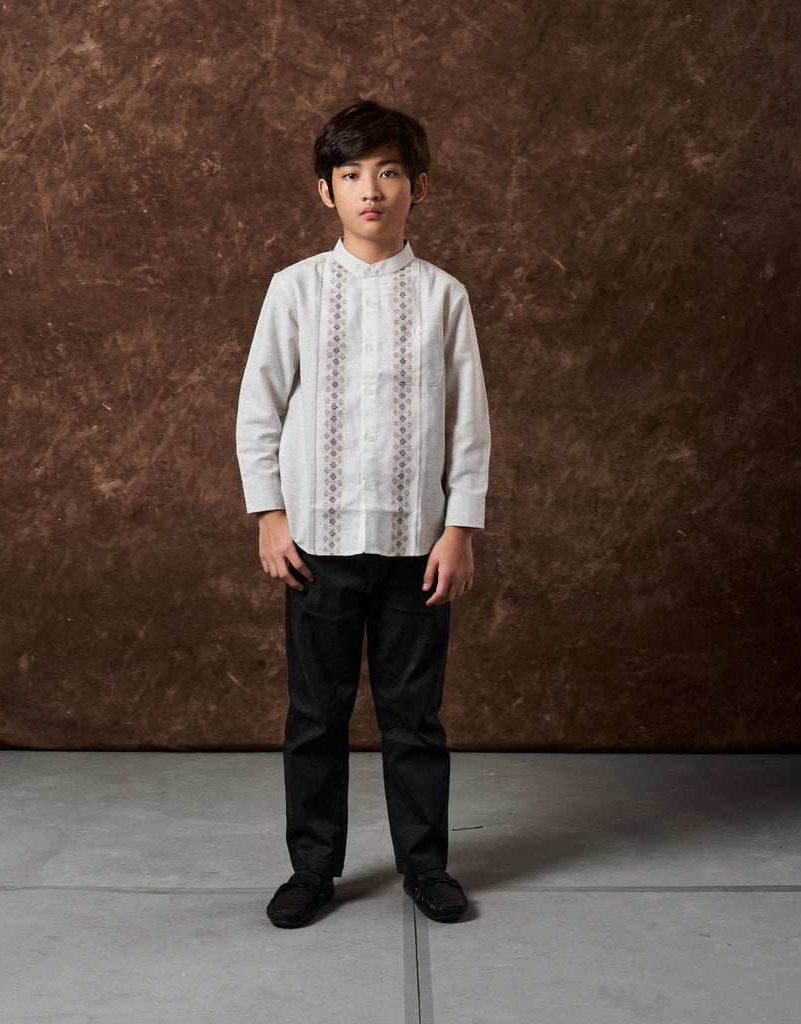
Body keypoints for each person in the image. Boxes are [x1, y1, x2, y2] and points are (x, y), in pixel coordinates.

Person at [236, 100, 490, 927]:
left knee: (414, 717)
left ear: (418, 185)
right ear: (327, 191)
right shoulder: (297, 290)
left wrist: (460, 528)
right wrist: (270, 515)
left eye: (388, 172)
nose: (370, 190)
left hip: (418, 548)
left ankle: (425, 865)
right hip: (318, 545)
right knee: (317, 714)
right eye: (351, 175)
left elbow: (469, 422)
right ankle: (313, 869)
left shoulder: (444, 297)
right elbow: (260, 408)